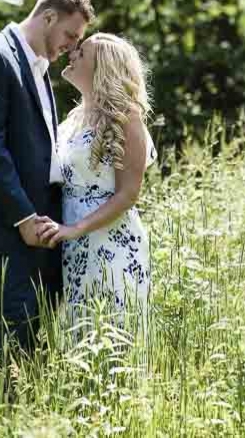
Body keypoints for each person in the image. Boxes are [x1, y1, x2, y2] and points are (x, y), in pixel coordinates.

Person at [0, 0, 93, 370]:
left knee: (33, 319)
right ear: (48, 17)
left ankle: (3, 405)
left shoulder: (39, 65)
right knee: (16, 318)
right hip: (8, 217)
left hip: (42, 217)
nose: (72, 46)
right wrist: (24, 217)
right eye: (70, 35)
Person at [35, 33, 156, 330]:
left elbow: (128, 194)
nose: (71, 54)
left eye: (81, 52)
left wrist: (74, 229)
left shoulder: (127, 116)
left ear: (102, 66)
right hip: (73, 242)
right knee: (78, 332)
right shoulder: (75, 117)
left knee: (112, 333)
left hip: (109, 241)